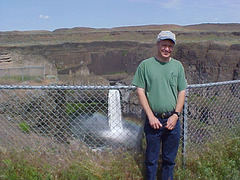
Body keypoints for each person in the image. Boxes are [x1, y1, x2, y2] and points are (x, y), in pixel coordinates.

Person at [132, 31, 187, 180]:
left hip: (172, 121)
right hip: (153, 121)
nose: (167, 49)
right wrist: (150, 116)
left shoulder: (177, 66)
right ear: (158, 45)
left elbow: (182, 90)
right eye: (164, 45)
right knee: (151, 160)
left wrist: (176, 115)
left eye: (170, 46)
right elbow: (140, 91)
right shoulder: (146, 65)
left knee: (169, 160)